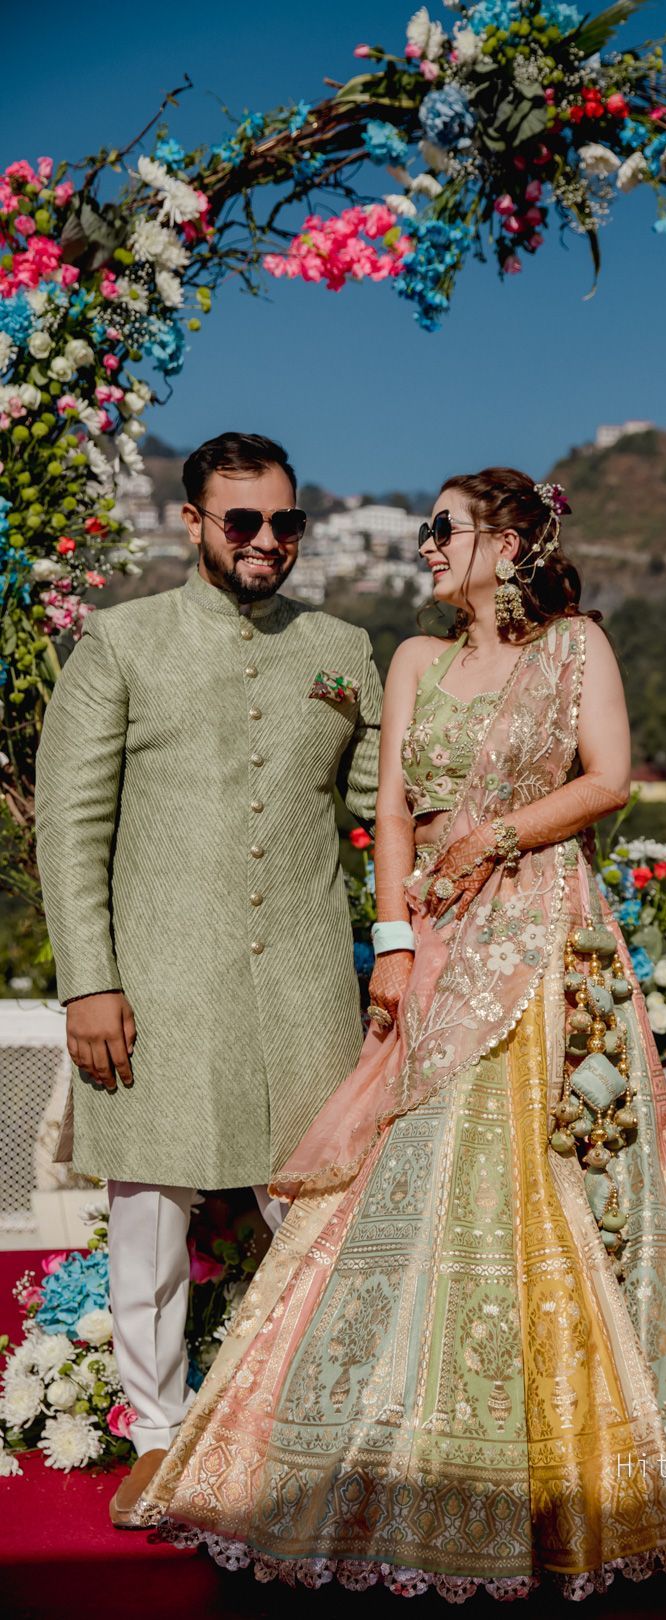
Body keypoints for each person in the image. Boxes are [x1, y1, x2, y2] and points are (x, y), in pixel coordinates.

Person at [131, 467, 666, 1598]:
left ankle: (583, 1458)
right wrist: (397, 940)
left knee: (551, 1177)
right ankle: (387, 1449)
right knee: (405, 1169)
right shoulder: (416, 660)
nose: (422, 545)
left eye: (442, 529)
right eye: (423, 528)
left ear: (509, 545)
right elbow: (394, 813)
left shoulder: (576, 650)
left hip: (548, 941)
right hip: (444, 945)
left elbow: (607, 781)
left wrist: (502, 834)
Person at [33, 431, 384, 1527]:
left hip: (310, 983)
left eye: (285, 522)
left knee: (321, 1216)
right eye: (243, 521)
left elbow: (387, 803)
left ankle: (319, 1433)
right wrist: (89, 980)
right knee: (149, 1213)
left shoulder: (342, 646)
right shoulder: (122, 643)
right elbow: (69, 826)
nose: (266, 541)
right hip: (160, 983)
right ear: (192, 522)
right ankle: (156, 1433)